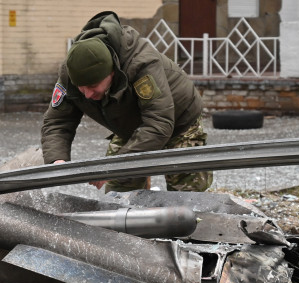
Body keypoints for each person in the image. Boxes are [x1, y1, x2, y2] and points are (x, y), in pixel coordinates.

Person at [41, 11, 212, 193]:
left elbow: (159, 124)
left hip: (179, 123)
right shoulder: (71, 74)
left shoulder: (141, 65)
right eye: (81, 87)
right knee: (118, 197)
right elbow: (57, 121)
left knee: (187, 200)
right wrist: (57, 160)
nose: (88, 94)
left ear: (112, 72)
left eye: (93, 86)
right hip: (131, 128)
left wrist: (112, 167)